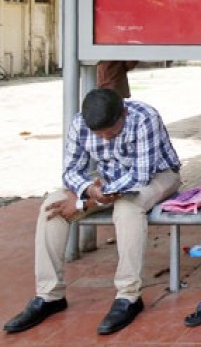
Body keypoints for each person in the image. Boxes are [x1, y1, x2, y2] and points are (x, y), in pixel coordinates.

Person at [3, 88, 181, 336]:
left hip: (158, 176)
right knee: (50, 207)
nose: (106, 138)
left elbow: (139, 178)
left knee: (128, 207)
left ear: (124, 113)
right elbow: (70, 171)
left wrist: (86, 201)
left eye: (111, 131)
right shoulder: (80, 123)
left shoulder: (144, 117)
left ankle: (128, 296)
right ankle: (49, 295)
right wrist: (87, 188)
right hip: (106, 181)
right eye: (99, 134)